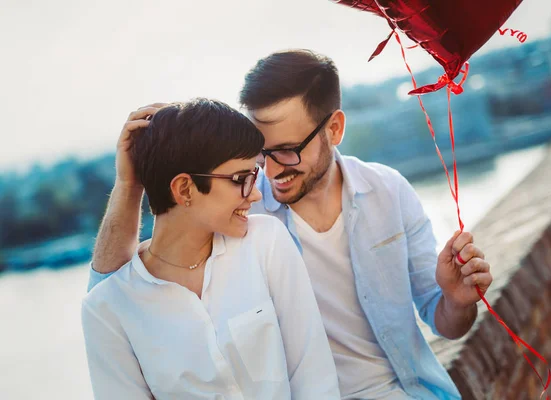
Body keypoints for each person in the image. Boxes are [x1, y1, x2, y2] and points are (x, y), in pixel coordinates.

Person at [89, 50, 493, 400]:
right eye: (260, 153)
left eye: (286, 150)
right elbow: (117, 291)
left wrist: (457, 300)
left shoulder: (389, 191)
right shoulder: (243, 214)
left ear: (334, 129)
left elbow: (444, 323)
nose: (269, 169)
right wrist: (132, 181)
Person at [82, 98, 340, 400]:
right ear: (184, 190)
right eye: (241, 179)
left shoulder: (266, 243)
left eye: (253, 176)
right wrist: (128, 183)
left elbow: (315, 379)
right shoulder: (107, 309)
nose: (255, 195)